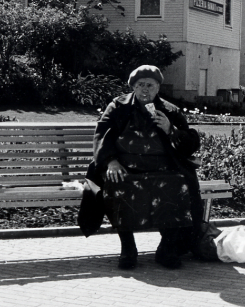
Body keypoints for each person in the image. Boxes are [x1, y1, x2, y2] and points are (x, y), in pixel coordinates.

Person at [77, 65, 217, 270]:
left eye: (150, 85)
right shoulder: (118, 107)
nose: (145, 90)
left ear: (158, 88)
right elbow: (102, 136)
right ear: (133, 87)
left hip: (162, 168)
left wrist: (171, 129)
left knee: (180, 186)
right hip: (126, 167)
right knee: (117, 186)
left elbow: (189, 144)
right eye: (140, 85)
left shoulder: (170, 111)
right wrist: (110, 162)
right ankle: (128, 248)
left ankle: (167, 248)